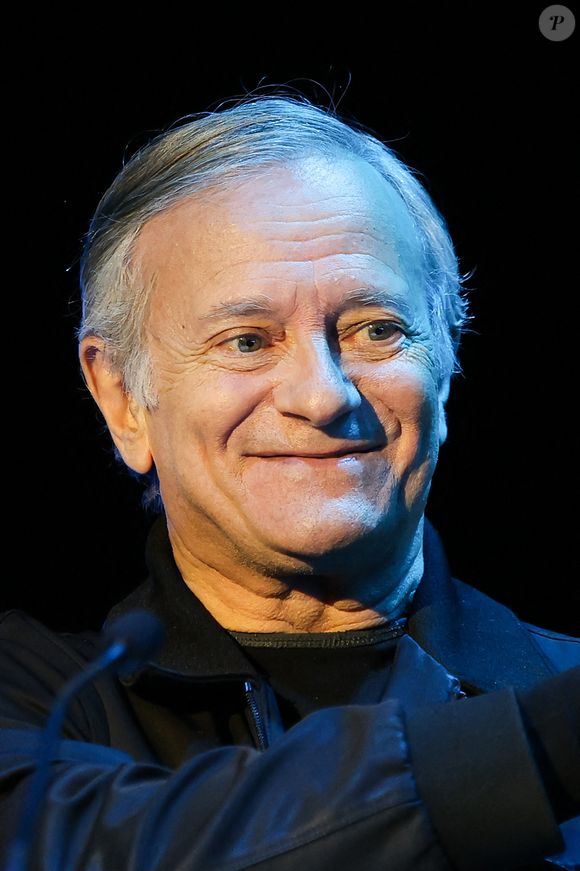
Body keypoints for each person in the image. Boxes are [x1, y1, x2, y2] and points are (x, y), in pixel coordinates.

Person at [1, 94, 579, 871]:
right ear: (121, 399)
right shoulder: (36, 702)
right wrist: (542, 750)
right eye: (246, 341)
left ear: (445, 368)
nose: (322, 393)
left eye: (376, 329)